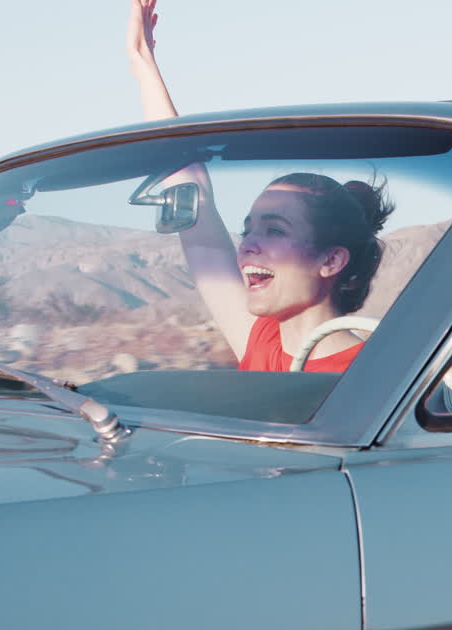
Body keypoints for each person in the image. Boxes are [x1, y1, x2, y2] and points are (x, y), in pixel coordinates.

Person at [126, 0, 391, 372]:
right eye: (248, 228)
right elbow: (196, 215)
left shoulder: (374, 374)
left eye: (275, 230)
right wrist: (142, 66)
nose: (248, 244)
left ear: (330, 260)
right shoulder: (260, 340)